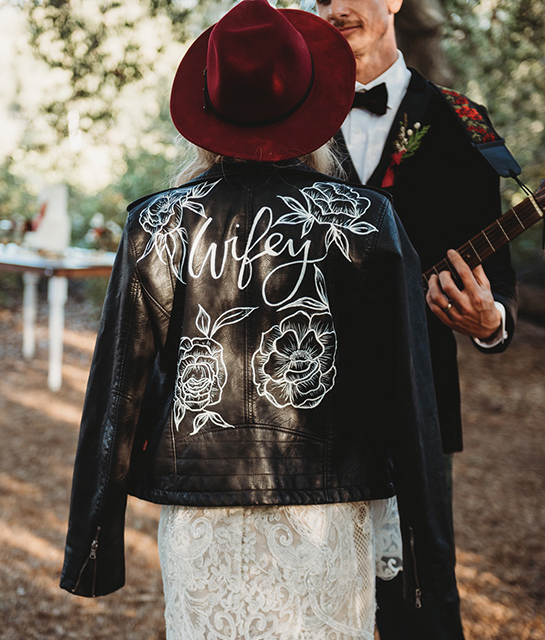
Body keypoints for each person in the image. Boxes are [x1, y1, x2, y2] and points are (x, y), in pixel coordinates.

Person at [60, 0, 458, 638]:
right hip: (333, 510)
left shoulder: (157, 225)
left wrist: (91, 547)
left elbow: (114, 394)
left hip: (202, 517)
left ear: (208, 111)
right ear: (312, 104)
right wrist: (428, 560)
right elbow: (411, 397)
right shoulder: (367, 221)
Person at [313, 0, 520, 638]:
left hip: (416, 407)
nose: (334, 8)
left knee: (416, 611)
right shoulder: (286, 118)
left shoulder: (462, 122)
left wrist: (489, 322)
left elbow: (501, 290)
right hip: (301, 407)